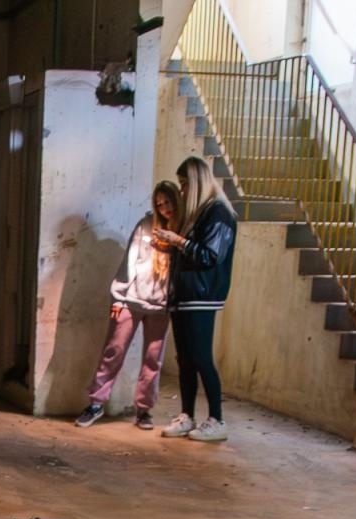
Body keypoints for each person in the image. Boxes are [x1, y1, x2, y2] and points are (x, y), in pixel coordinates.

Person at [75, 180, 180, 431]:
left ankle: (144, 409)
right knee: (114, 350)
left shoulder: (183, 231)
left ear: (177, 200)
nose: (164, 208)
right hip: (130, 300)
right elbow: (129, 262)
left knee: (153, 358)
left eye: (167, 202)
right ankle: (96, 403)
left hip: (162, 305)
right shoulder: (145, 225)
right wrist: (119, 298)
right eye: (159, 204)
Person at [152, 156, 237, 443]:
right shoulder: (198, 213)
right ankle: (187, 415)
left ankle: (217, 419)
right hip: (184, 294)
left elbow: (209, 256)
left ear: (198, 182)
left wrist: (177, 240)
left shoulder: (218, 212)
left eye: (185, 185)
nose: (182, 191)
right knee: (185, 359)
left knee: (201, 358)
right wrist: (168, 246)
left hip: (201, 295)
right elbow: (192, 252)